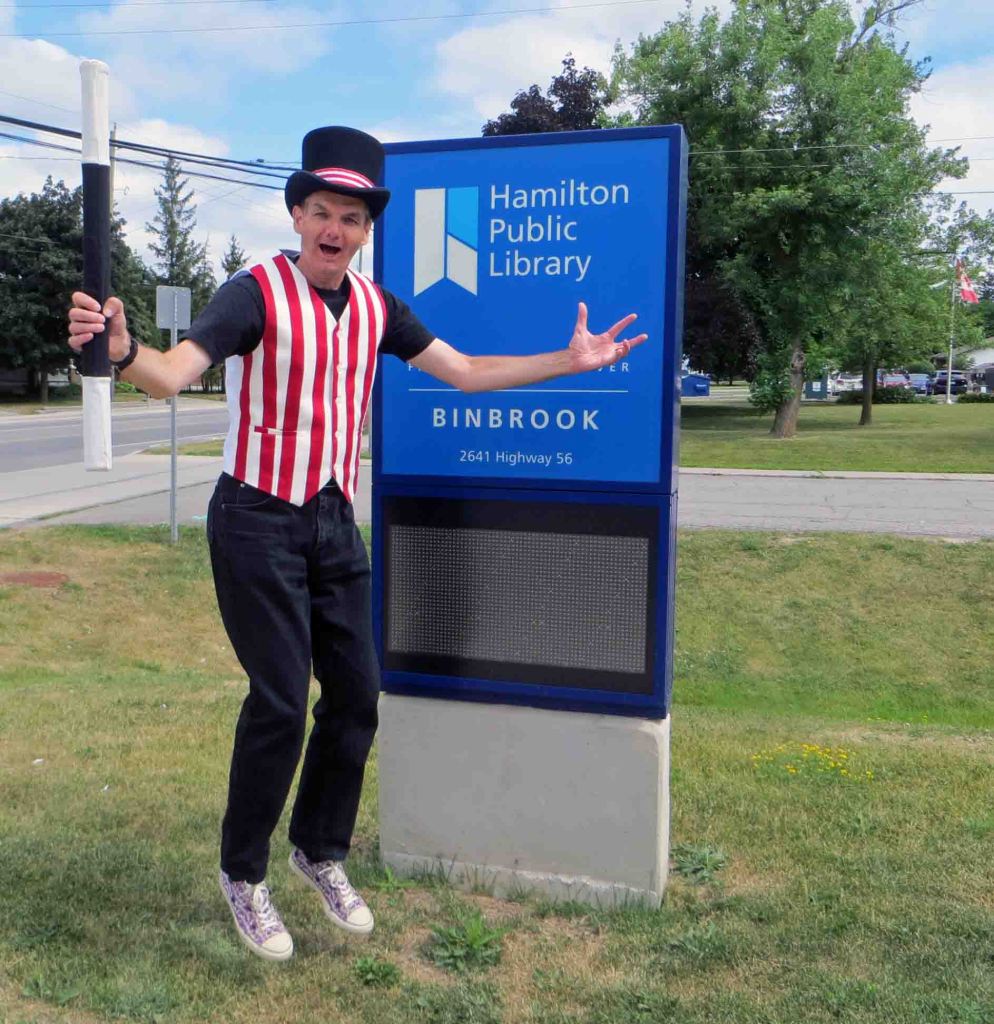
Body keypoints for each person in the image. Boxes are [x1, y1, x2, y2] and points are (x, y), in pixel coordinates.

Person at [68, 125, 647, 962]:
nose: (335, 228)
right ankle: (244, 873)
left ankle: (319, 851)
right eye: (321, 211)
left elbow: (470, 371)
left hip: (334, 520)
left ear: (368, 228)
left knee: (358, 696)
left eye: (352, 216)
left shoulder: (379, 308)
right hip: (256, 517)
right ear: (299, 216)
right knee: (277, 700)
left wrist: (569, 358)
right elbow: (173, 372)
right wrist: (121, 348)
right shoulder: (256, 292)